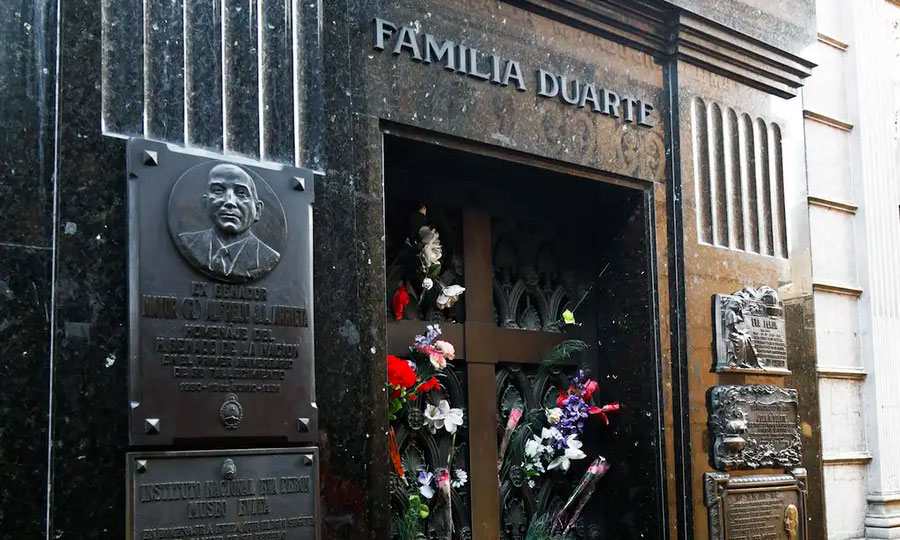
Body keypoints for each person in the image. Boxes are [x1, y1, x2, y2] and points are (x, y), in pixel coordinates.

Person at [178, 163, 280, 281]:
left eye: (241, 193)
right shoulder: (188, 243)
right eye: (218, 190)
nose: (229, 201)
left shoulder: (267, 257)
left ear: (257, 210)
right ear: (205, 203)